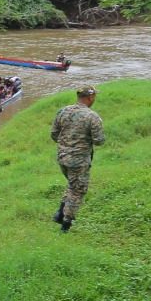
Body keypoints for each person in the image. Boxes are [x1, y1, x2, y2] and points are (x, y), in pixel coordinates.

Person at [51, 86, 105, 231]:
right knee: (78, 190)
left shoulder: (63, 111)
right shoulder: (92, 117)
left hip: (62, 157)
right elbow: (99, 140)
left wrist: (67, 144)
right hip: (79, 160)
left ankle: (59, 214)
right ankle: (66, 225)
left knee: (72, 184)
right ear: (90, 98)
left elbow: (54, 135)